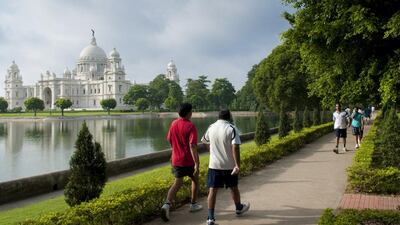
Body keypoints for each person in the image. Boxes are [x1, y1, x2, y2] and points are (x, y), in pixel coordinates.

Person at [201, 109, 250, 225]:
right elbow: (235, 147)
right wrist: (238, 164)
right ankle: (238, 208)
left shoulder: (211, 127)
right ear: (229, 117)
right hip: (229, 165)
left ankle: (210, 218)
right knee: (233, 187)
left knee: (212, 190)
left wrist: (211, 152)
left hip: (214, 165)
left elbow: (204, 141)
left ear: (218, 117)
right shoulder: (232, 128)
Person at [161, 103, 203, 222]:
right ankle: (193, 204)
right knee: (195, 179)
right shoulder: (190, 126)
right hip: (188, 160)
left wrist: (174, 152)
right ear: (189, 113)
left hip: (176, 159)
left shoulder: (174, 123)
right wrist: (197, 164)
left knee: (177, 183)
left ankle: (166, 205)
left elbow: (169, 139)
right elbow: (192, 145)